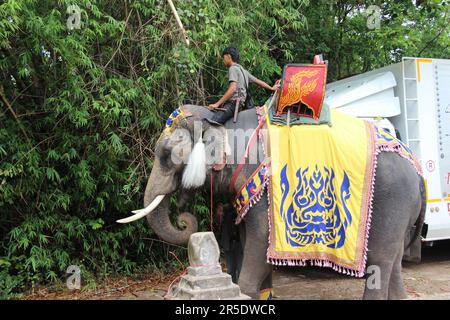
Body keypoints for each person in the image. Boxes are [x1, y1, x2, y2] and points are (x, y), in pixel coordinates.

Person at [208, 47, 279, 124]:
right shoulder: (243, 71)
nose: (223, 60)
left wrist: (217, 104)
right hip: (240, 104)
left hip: (233, 104)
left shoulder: (233, 68)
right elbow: (259, 82)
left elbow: (232, 89)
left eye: (224, 58)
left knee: (212, 122)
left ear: (229, 57)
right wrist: (271, 88)